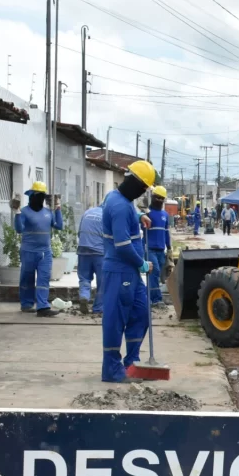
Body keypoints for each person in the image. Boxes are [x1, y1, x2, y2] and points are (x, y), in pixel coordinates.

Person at [100, 159, 155, 383]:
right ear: (136, 183)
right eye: (143, 188)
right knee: (115, 320)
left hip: (130, 273)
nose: (143, 193)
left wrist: (139, 216)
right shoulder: (120, 205)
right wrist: (142, 263)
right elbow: (122, 245)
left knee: (141, 314)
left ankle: (131, 363)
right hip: (120, 271)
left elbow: (128, 212)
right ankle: (112, 370)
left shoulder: (121, 199)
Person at [13, 181, 63, 317]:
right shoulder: (24, 212)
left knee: (44, 279)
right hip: (29, 251)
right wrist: (16, 212)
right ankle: (26, 304)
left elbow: (59, 226)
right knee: (27, 279)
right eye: (38, 195)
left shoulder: (48, 212)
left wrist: (58, 207)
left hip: (45, 252)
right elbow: (19, 229)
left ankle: (42, 307)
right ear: (31, 196)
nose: (40, 198)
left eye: (42, 195)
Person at [145, 186, 171, 305]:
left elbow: (166, 233)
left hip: (161, 250)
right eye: (157, 198)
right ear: (153, 197)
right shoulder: (147, 214)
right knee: (154, 272)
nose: (159, 200)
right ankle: (156, 299)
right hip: (150, 249)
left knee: (157, 275)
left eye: (162, 198)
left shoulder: (165, 215)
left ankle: (148, 297)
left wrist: (169, 247)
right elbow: (142, 231)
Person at [76, 204, 104, 315]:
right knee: (103, 282)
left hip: (83, 250)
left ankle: (84, 296)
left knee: (84, 278)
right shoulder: (107, 215)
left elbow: (79, 233)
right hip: (99, 252)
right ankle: (98, 308)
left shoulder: (87, 212)